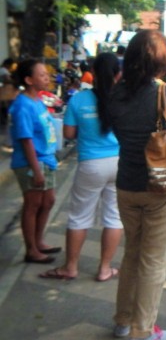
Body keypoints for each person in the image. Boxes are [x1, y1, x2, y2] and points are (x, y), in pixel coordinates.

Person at [108, 30, 166, 340]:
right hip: (161, 188)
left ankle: (122, 321)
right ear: (162, 58)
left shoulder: (116, 93)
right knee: (154, 260)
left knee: (132, 254)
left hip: (126, 184)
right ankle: (143, 330)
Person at [39, 53, 123, 281]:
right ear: (118, 74)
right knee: (114, 217)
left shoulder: (78, 99)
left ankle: (71, 267)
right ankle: (105, 269)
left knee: (79, 217)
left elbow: (68, 134)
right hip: (119, 164)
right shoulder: (124, 98)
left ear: (92, 73)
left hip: (90, 164)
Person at [9, 59, 60, 264]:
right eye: (41, 74)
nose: (46, 77)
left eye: (46, 73)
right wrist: (36, 171)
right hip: (32, 162)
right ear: (29, 80)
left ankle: (38, 242)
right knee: (33, 204)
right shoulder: (22, 105)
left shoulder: (37, 100)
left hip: (46, 160)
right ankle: (31, 250)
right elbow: (26, 140)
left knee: (48, 201)